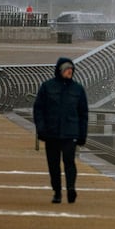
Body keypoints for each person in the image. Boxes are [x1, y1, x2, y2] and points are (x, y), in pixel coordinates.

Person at [33, 57, 88, 204]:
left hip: (70, 133)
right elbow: (38, 110)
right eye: (66, 69)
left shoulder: (78, 89)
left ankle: (71, 188)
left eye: (71, 69)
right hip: (51, 133)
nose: (69, 71)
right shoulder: (47, 87)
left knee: (69, 162)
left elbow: (83, 114)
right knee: (53, 165)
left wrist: (82, 135)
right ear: (59, 71)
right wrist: (41, 129)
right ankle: (57, 192)